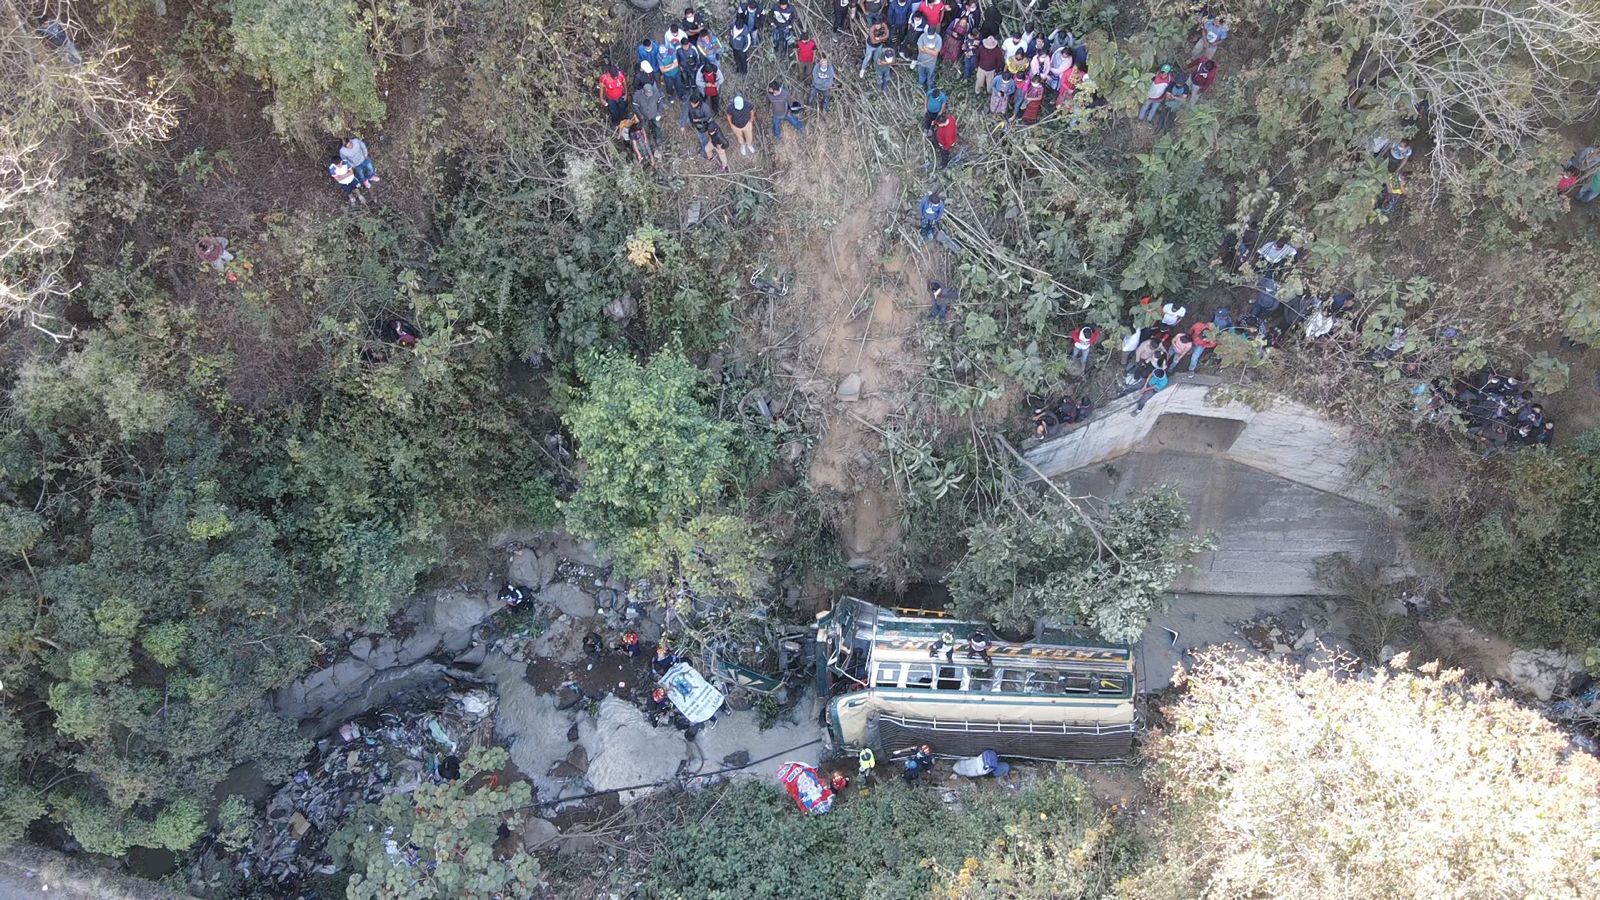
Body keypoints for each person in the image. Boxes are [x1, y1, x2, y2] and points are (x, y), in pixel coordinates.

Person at [633, 78, 664, 152]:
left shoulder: (656, 93)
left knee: (657, 126)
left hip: (654, 114)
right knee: (644, 127)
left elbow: (660, 102)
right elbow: (635, 106)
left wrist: (659, 112)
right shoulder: (637, 95)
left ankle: (658, 139)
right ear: (643, 91)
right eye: (647, 94)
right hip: (643, 116)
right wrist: (640, 115)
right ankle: (647, 140)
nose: (649, 95)